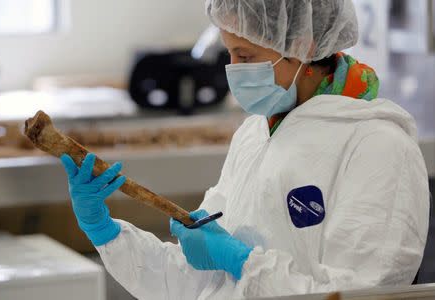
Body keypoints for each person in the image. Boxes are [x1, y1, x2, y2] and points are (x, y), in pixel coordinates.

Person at [60, 0, 430, 298]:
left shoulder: (376, 146)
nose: (233, 70)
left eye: (246, 56)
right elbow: (200, 281)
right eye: (230, 55)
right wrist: (106, 231)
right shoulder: (256, 132)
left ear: (303, 45)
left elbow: (363, 293)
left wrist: (241, 261)